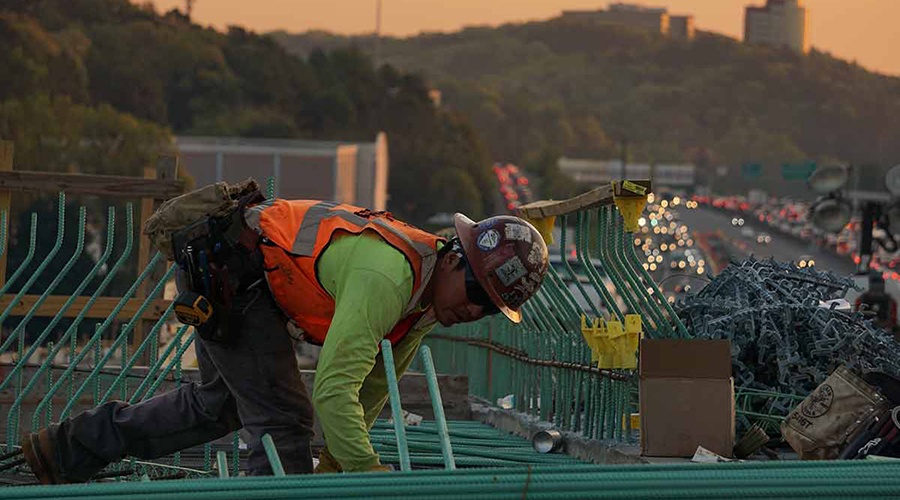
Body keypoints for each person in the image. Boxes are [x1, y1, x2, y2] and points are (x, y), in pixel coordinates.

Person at [20, 198, 549, 483]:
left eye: (489, 310)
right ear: (456, 256)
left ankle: (65, 449)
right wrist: (369, 478)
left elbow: (368, 393)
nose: (473, 311)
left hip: (243, 278)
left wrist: (337, 469)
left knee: (218, 407)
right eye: (477, 291)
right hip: (234, 274)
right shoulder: (390, 278)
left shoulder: (426, 306)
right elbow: (333, 391)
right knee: (282, 423)